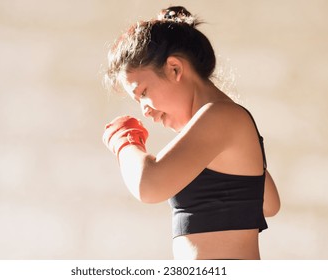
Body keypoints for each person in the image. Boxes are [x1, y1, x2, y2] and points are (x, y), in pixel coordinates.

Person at [102, 6, 280, 260]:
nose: (144, 111)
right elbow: (267, 204)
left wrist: (123, 138)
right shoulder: (228, 121)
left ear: (174, 69)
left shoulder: (223, 117)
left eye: (143, 93)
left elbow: (149, 185)